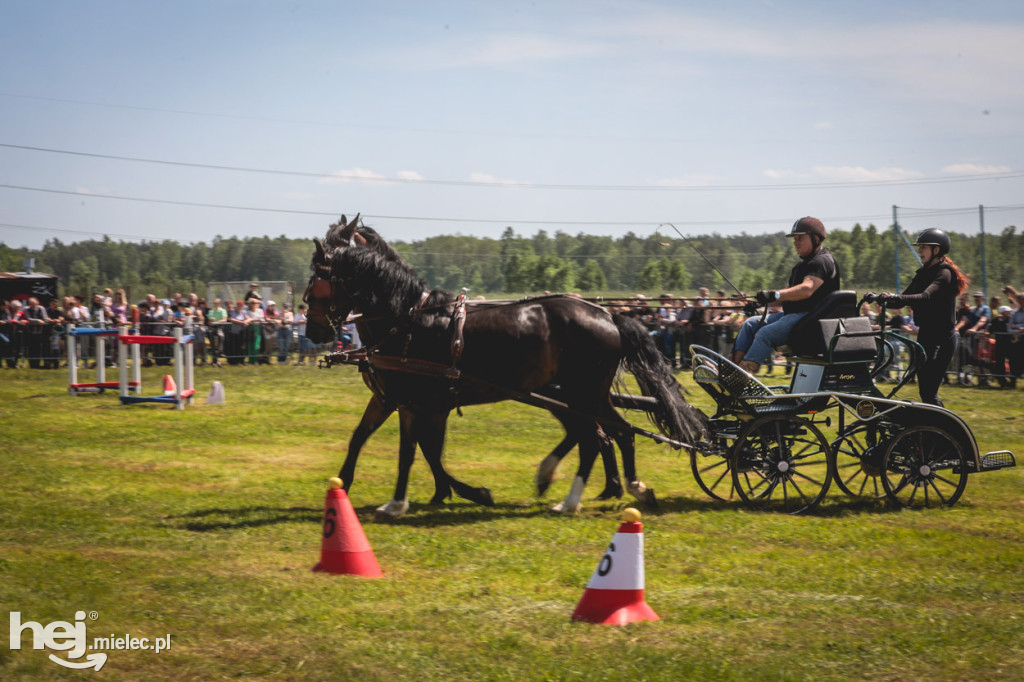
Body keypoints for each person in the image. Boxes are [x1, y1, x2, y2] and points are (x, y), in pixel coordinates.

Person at [732, 216, 840, 374]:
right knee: (750, 324)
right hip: (791, 315)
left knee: (765, 334)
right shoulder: (800, 266)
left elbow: (806, 289)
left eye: (800, 238)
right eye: (795, 239)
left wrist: (773, 295)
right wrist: (762, 303)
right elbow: (786, 295)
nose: (796, 242)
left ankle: (741, 377)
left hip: (811, 318)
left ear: (815, 238)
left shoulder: (822, 261)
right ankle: (730, 370)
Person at [878, 228, 969, 406]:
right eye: (919, 247)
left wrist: (896, 297)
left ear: (936, 250)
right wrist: (881, 298)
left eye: (923, 247)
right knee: (924, 391)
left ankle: (944, 430)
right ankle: (931, 429)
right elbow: (900, 301)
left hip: (942, 338)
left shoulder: (945, 273)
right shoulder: (923, 274)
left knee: (929, 392)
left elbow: (926, 297)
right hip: (926, 335)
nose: (919, 251)